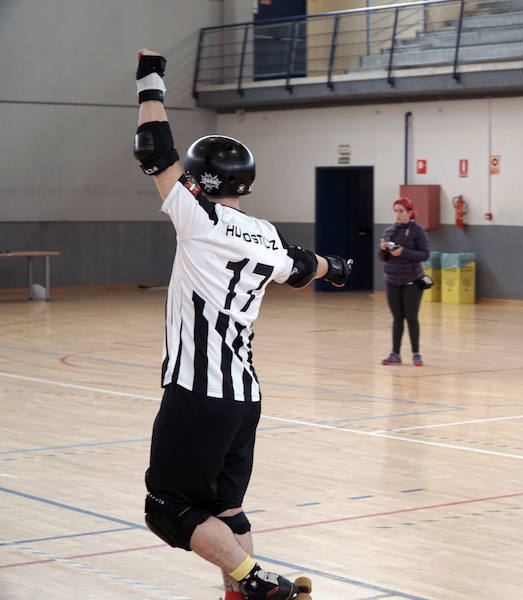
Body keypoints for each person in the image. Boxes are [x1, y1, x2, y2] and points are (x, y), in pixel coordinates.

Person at [133, 49, 350, 600]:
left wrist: (150, 80)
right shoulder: (266, 234)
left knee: (168, 508)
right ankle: (240, 594)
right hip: (243, 394)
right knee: (226, 509)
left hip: (197, 390)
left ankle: (254, 584)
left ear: (202, 183)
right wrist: (339, 268)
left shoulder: (197, 217)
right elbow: (303, 266)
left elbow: (156, 152)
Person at [378, 197, 431, 366]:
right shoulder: (389, 231)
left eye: (401, 211)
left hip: (412, 280)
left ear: (409, 212)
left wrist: (404, 252)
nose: (398, 215)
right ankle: (395, 354)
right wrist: (383, 250)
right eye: (396, 211)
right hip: (392, 279)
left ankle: (416, 353)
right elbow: (382, 258)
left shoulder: (418, 231)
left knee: (412, 318)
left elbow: (424, 254)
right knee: (397, 318)